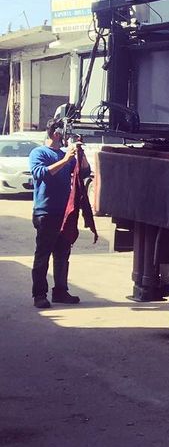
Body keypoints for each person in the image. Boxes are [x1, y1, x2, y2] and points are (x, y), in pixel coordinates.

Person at [28, 120, 83, 309]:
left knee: (62, 254)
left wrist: (79, 151)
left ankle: (60, 292)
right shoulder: (39, 153)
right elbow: (40, 173)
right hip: (45, 212)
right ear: (56, 134)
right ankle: (39, 295)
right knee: (43, 255)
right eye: (64, 134)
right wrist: (65, 160)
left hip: (64, 213)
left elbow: (84, 171)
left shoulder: (64, 154)